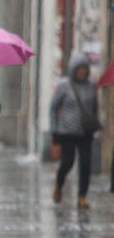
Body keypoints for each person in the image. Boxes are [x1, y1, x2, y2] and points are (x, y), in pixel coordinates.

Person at [49, 53, 101, 208]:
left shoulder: (91, 86)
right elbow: (53, 107)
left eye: (84, 69)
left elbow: (94, 107)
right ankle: (59, 184)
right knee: (68, 162)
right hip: (67, 131)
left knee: (86, 164)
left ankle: (82, 196)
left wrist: (93, 124)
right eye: (79, 69)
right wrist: (55, 130)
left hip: (85, 132)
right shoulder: (64, 85)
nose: (82, 72)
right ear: (73, 69)